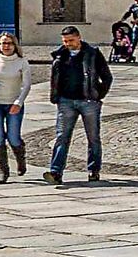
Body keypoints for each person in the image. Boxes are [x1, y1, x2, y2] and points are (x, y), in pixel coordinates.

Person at [42, 24, 112, 185]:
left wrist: (98, 95)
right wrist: (56, 96)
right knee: (61, 137)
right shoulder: (60, 56)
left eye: (71, 40)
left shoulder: (92, 54)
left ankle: (93, 169)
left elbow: (106, 77)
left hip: (88, 101)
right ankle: (56, 171)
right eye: (65, 41)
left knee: (93, 137)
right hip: (66, 101)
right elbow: (55, 78)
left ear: (79, 37)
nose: (68, 44)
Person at [0, 32, 32, 181]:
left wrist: (18, 102)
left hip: (13, 104)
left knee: (13, 137)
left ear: (15, 45)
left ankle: (20, 160)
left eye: (9, 43)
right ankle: (3, 171)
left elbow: (26, 85)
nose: (6, 46)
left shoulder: (22, 62)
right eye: (3, 43)